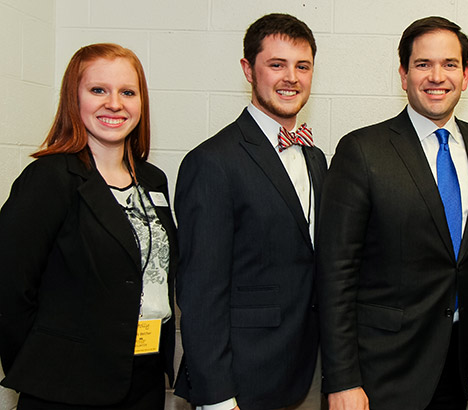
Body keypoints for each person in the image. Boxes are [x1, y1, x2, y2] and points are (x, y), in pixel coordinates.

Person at [316, 16, 468, 410]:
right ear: (403, 75)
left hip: (459, 364)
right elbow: (335, 274)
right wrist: (343, 379)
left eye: (450, 64)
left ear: (466, 75)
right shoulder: (362, 151)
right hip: (383, 372)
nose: (437, 76)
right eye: (423, 64)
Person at [0, 43, 176, 409]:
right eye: (98, 90)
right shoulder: (49, 178)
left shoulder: (153, 180)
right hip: (66, 386)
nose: (114, 103)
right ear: (73, 98)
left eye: (127, 92)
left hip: (144, 378)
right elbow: (10, 287)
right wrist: (39, 367)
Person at [174, 13, 326, 410]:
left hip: (303, 372)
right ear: (248, 70)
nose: (291, 77)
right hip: (240, 379)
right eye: (276, 64)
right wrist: (218, 399)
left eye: (302, 66)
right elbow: (200, 293)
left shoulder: (316, 158)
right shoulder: (212, 162)